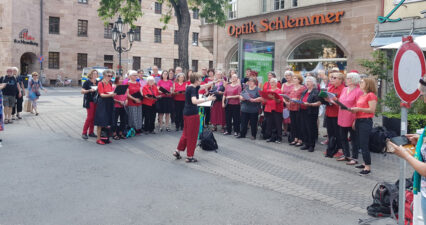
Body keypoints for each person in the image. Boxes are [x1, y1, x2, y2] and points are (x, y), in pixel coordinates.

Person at [173, 73, 216, 163]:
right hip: (192, 114)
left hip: (186, 113)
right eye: (200, 79)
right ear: (196, 80)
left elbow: (204, 85)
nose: (201, 80)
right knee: (192, 136)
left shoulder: (190, 86)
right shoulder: (193, 89)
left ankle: (177, 151)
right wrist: (207, 99)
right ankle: (189, 156)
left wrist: (215, 81)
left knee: (185, 134)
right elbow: (194, 101)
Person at [349, 77, 378, 175]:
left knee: (364, 144)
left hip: (365, 121)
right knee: (360, 143)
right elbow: (359, 109)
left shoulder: (371, 95)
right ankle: (365, 162)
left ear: (368, 84)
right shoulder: (362, 95)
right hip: (358, 120)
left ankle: (368, 167)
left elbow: (372, 110)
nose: (360, 83)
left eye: (362, 82)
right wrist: (354, 119)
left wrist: (358, 108)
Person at [338, 72, 363, 163]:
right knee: (343, 137)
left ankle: (355, 157)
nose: (346, 80)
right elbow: (341, 102)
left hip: (352, 117)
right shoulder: (344, 89)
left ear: (354, 80)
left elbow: (359, 106)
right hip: (342, 116)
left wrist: (356, 120)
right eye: (347, 78)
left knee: (354, 139)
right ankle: (346, 154)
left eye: (348, 78)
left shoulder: (359, 91)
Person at [323, 72, 345, 158]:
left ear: (340, 80)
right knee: (330, 132)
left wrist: (334, 100)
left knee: (338, 133)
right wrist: (325, 99)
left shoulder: (343, 89)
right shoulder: (330, 87)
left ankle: (340, 149)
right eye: (331, 77)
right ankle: (331, 148)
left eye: (334, 78)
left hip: (338, 114)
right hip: (329, 112)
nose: (331, 79)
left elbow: (343, 102)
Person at [94, 69, 116, 145]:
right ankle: (98, 139)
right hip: (102, 103)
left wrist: (113, 94)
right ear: (104, 76)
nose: (110, 77)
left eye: (111, 76)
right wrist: (111, 95)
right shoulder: (100, 83)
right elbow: (101, 94)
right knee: (101, 121)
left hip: (109, 102)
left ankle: (105, 138)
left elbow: (110, 92)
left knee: (107, 121)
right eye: (108, 76)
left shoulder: (110, 83)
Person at [299, 76, 321, 152]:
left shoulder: (316, 92)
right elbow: (302, 99)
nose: (307, 82)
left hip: (311, 113)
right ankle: (306, 143)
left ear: (313, 83)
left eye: (309, 81)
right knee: (304, 128)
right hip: (303, 111)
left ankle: (312, 145)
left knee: (310, 129)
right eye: (306, 81)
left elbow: (319, 103)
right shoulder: (305, 91)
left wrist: (310, 104)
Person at [285, 74, 306, 146]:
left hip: (298, 108)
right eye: (293, 78)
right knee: (293, 124)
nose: (293, 80)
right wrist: (287, 100)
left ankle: (300, 139)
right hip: (291, 107)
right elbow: (290, 96)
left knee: (299, 124)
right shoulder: (292, 87)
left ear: (299, 80)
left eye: (295, 78)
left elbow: (304, 98)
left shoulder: (302, 88)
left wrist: (297, 99)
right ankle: (295, 138)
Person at [263, 78, 284, 143]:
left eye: (273, 82)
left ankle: (279, 138)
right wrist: (264, 98)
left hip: (277, 109)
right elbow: (265, 100)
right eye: (270, 82)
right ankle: (272, 137)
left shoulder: (279, 91)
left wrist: (274, 98)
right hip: (269, 108)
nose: (271, 84)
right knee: (270, 123)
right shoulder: (268, 90)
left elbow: (280, 101)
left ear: (276, 83)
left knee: (277, 123)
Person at [81, 69, 98, 139]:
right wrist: (89, 90)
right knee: (90, 117)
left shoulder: (98, 82)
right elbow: (82, 91)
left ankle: (91, 132)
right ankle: (84, 132)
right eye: (93, 73)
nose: (95, 75)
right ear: (90, 74)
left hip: (96, 101)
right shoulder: (87, 82)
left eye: (96, 73)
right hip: (89, 100)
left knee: (94, 117)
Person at [112, 75, 128, 140]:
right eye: (120, 79)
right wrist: (118, 101)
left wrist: (126, 101)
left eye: (122, 79)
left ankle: (121, 133)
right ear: (117, 80)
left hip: (123, 105)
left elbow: (126, 96)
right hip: (116, 106)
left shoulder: (124, 87)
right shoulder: (113, 87)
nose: (122, 80)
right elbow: (111, 97)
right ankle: (114, 133)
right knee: (114, 120)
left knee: (123, 120)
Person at [281, 70, 294, 136]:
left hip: (292, 103)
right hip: (284, 103)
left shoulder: (294, 84)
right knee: (285, 117)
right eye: (285, 76)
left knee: (291, 118)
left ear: (292, 76)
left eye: (288, 75)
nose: (286, 77)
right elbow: (281, 94)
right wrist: (285, 101)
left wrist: (290, 101)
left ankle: (292, 132)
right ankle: (285, 131)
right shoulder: (283, 84)